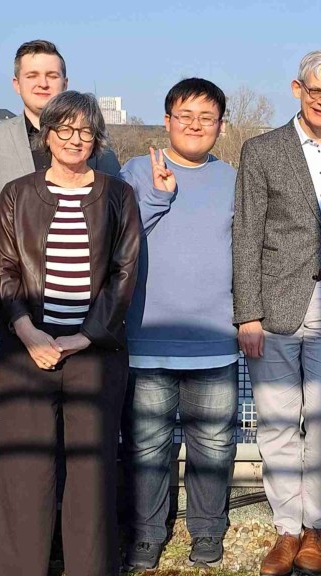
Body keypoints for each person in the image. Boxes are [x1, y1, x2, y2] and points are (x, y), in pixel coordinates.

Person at [232, 49, 321, 576]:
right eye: (316, 91)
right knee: (275, 422)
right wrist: (246, 313)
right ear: (297, 89)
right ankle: (287, 530)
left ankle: (318, 527)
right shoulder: (262, 150)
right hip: (272, 305)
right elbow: (245, 234)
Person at [0, 91, 140, 576]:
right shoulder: (16, 193)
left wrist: (86, 335)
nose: (75, 140)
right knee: (23, 473)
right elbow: (4, 271)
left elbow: (124, 273)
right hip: (26, 353)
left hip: (95, 354)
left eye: (85, 131)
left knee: (92, 476)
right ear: (47, 135)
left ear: (97, 138)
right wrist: (29, 332)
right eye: (65, 130)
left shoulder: (118, 194)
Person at [119, 78, 238, 571]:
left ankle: (208, 530)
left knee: (213, 442)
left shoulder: (233, 178)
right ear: (166, 120)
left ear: (220, 126)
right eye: (184, 115)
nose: (194, 125)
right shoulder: (135, 171)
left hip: (216, 338)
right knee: (146, 443)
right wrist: (158, 197)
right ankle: (147, 533)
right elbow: (117, 242)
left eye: (206, 117)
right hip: (147, 338)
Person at [0, 39, 121, 253]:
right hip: (17, 273)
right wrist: (16, 261)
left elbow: (117, 202)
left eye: (52, 76)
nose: (43, 84)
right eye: (32, 76)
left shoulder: (93, 136)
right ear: (16, 84)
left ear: (65, 83)